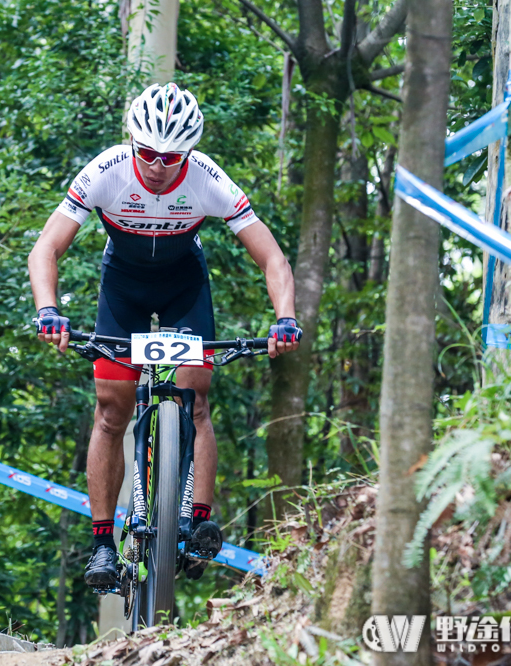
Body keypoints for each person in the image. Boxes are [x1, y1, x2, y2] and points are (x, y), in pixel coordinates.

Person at [28, 82, 301, 589]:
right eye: (148, 153)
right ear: (133, 144)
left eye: (172, 157)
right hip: (123, 293)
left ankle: (196, 520)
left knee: (196, 402)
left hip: (184, 289)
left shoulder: (206, 179)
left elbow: (272, 258)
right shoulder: (105, 171)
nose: (158, 165)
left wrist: (284, 317)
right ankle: (103, 542)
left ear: (189, 154)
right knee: (111, 412)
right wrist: (49, 310)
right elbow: (45, 249)